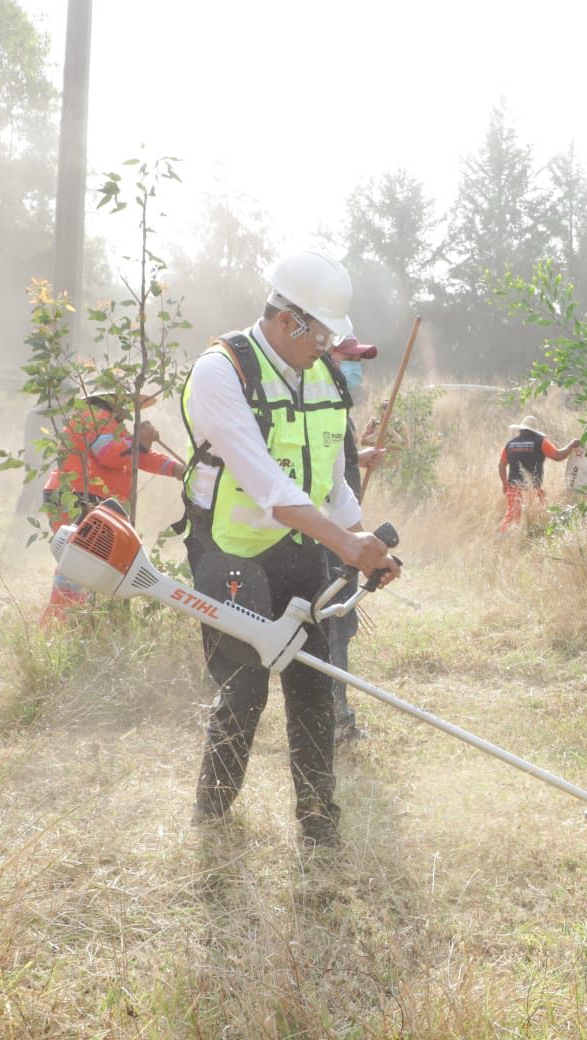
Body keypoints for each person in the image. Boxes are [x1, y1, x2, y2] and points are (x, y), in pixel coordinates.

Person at [178, 247, 399, 849]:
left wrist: (366, 540)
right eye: (321, 333)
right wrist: (346, 545)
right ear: (287, 321)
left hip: (301, 545)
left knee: (312, 681)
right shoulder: (222, 371)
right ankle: (214, 816)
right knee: (245, 685)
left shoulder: (322, 376)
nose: (328, 346)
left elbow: (330, 481)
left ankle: (319, 821)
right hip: (228, 550)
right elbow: (268, 486)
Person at [41, 387, 183, 621]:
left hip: (81, 497)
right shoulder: (94, 417)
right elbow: (109, 454)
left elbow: (136, 456)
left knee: (83, 563)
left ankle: (74, 622)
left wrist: (176, 469)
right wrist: (140, 442)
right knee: (79, 562)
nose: (128, 410)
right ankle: (61, 623)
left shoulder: (108, 423)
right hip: (77, 496)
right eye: (126, 402)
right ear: (111, 398)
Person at [323, 335, 384, 745]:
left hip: (339, 533)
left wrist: (361, 457)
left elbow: (336, 465)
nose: (356, 368)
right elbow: (328, 486)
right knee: (336, 627)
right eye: (350, 359)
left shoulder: (337, 408)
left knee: (338, 627)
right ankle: (334, 719)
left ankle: (331, 715)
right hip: (326, 537)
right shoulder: (320, 405)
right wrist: (357, 542)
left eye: (359, 361)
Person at [498, 415, 580, 531]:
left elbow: (501, 466)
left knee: (512, 517)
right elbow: (558, 456)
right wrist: (571, 444)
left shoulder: (510, 444)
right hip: (533, 489)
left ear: (521, 430)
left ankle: (503, 538)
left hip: (513, 487)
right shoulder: (540, 442)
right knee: (539, 515)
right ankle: (533, 537)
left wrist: (505, 484)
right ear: (534, 431)